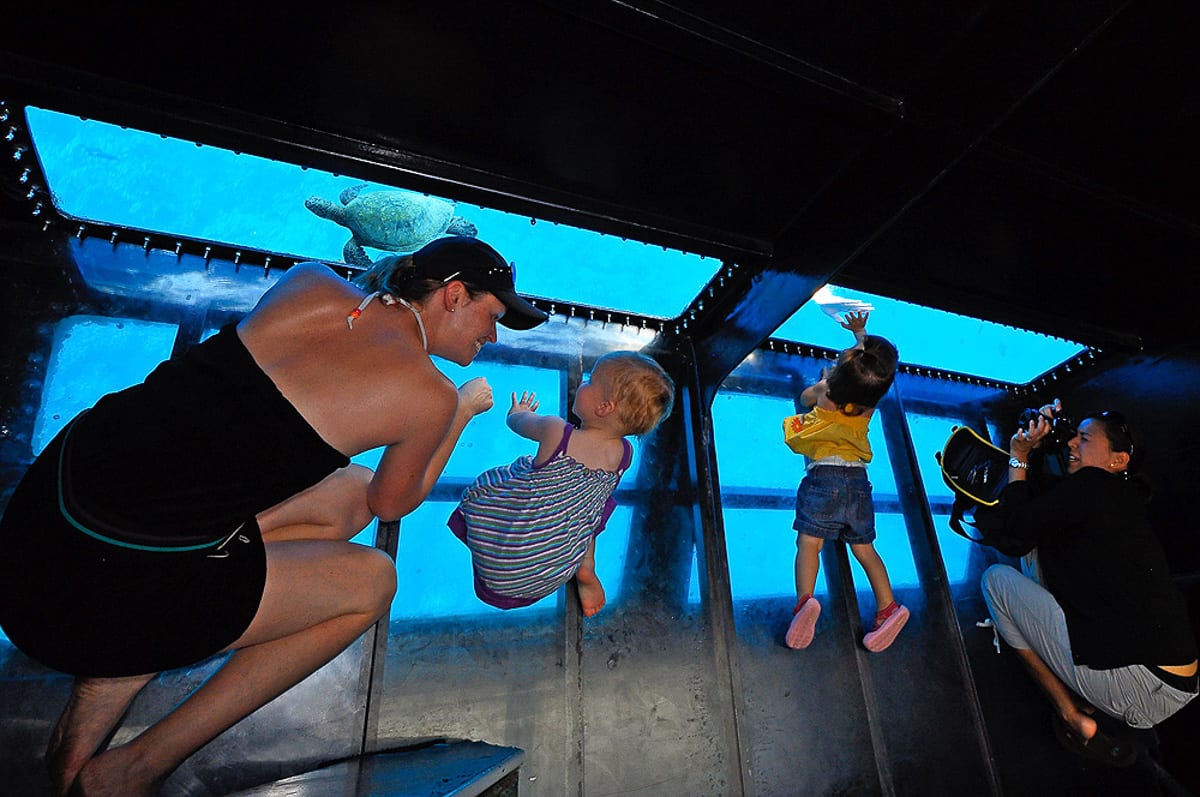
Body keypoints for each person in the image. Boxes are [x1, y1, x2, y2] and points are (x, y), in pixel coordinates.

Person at [0, 235, 547, 797]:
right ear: (454, 296)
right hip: (87, 602)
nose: (494, 335)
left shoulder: (308, 282)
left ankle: (132, 646)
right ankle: (135, 759)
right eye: (494, 314)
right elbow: (394, 504)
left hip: (35, 527)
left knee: (347, 486)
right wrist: (456, 413)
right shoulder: (426, 396)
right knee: (374, 581)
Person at [981, 405, 1198, 765]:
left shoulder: (1092, 485)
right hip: (1176, 682)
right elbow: (1045, 511)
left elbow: (1016, 530)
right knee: (1041, 552)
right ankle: (1089, 696)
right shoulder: (1121, 499)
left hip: (1139, 685)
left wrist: (1018, 455)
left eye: (1083, 438)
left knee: (996, 582)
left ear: (1118, 459)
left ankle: (1072, 714)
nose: (1070, 443)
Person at [448, 351, 674, 617]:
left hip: (502, 561)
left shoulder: (556, 431)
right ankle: (586, 569)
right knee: (590, 510)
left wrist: (520, 412)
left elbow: (516, 422)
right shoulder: (623, 454)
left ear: (604, 407)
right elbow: (591, 512)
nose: (583, 384)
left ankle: (492, 530)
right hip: (548, 572)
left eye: (590, 381)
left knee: (492, 484)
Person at [781, 311, 909, 652]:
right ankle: (888, 607)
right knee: (865, 549)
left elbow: (805, 398)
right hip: (858, 481)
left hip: (823, 476)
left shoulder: (825, 395)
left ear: (837, 378)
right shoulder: (869, 404)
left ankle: (805, 602)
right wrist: (861, 336)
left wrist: (827, 381)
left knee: (810, 543)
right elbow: (876, 374)